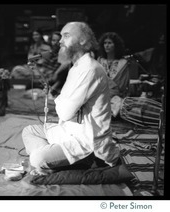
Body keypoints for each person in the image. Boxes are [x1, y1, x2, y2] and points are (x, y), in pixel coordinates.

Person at [22, 22, 120, 176]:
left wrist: (61, 99)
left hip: (86, 141)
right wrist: (62, 99)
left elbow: (65, 113)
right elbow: (65, 105)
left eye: (66, 36)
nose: (60, 41)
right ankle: (53, 159)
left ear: (83, 40)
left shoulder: (90, 69)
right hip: (68, 131)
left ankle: (86, 162)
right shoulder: (76, 67)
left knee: (36, 158)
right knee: (29, 130)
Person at [97, 32, 130, 98]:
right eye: (105, 43)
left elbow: (122, 86)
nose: (106, 45)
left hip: (116, 98)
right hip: (100, 96)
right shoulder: (100, 60)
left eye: (109, 43)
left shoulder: (123, 63)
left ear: (116, 45)